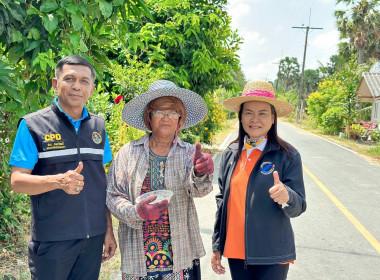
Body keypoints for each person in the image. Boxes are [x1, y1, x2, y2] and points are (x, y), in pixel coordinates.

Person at [9, 55, 117, 280]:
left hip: (92, 240)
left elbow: (101, 183)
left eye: (84, 81)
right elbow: (17, 181)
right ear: (56, 84)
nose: (77, 86)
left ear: (92, 88)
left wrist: (108, 229)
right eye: (70, 79)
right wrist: (57, 181)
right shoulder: (33, 125)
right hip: (52, 242)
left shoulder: (99, 127)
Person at [106, 80, 214, 280]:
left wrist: (200, 173)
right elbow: (113, 195)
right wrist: (135, 212)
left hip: (180, 254)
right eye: (159, 112)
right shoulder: (128, 152)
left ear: (180, 119)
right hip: (138, 254)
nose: (166, 117)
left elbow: (199, 190)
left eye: (173, 112)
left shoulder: (190, 152)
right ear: (149, 117)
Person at [211, 81, 307, 280]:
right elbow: (222, 203)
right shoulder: (230, 153)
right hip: (236, 251)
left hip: (273, 253)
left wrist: (287, 195)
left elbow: (299, 206)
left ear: (273, 118)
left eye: (262, 113)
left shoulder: (287, 155)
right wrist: (217, 246)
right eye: (248, 112)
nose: (255, 119)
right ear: (240, 116)